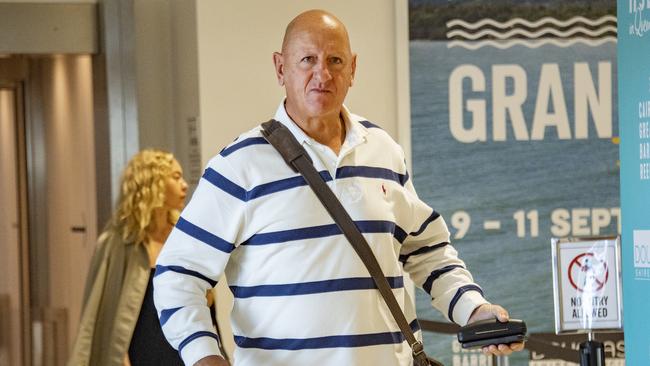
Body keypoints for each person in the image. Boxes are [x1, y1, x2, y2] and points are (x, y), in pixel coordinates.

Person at [154, 9, 524, 366]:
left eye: (334, 60)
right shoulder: (239, 165)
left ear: (353, 69)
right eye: (307, 60)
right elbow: (177, 274)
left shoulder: (383, 150)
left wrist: (474, 309)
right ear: (280, 68)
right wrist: (204, 356)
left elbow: (426, 251)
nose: (322, 74)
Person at [68, 149, 190, 366]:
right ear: (153, 183)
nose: (184, 185)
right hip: (138, 352)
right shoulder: (117, 243)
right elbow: (99, 312)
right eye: (175, 177)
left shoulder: (183, 237)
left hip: (179, 350)